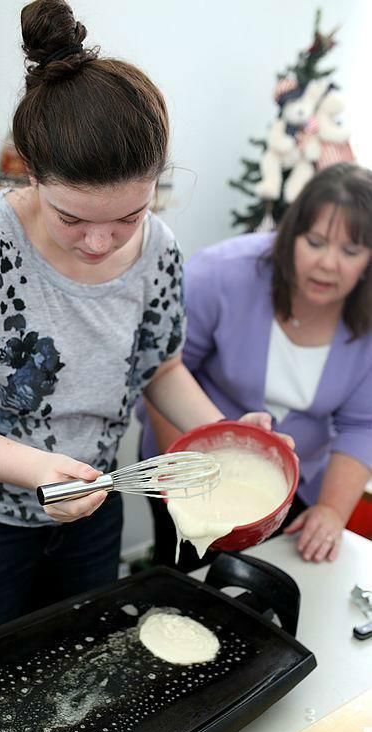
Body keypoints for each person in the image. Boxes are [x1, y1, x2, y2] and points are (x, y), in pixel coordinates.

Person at [0, 0, 272, 649]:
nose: (100, 243)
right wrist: (33, 469)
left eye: (128, 215)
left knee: (80, 677)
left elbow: (161, 370)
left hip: (93, 512)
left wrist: (229, 437)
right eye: (72, 219)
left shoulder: (158, 248)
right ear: (33, 173)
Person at [139, 162, 372, 571]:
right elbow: (163, 373)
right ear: (289, 236)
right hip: (186, 460)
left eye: (350, 251)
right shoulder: (221, 274)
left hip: (291, 486)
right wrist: (182, 477)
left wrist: (332, 511)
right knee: (184, 580)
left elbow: (362, 425)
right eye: (315, 242)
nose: (328, 264)